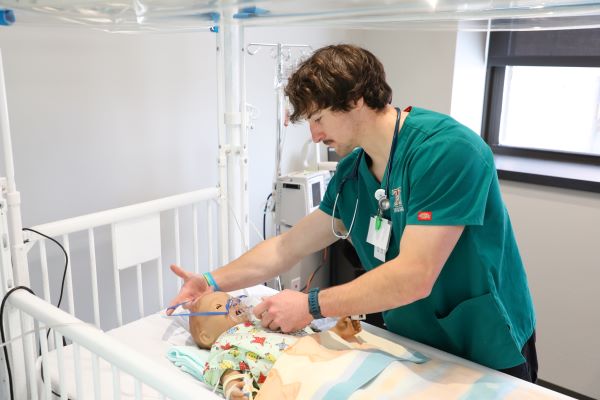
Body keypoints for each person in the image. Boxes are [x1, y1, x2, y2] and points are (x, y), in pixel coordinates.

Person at [168, 44, 537, 382]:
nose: (314, 135)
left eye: (319, 118)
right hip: (411, 336)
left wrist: (311, 305)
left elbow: (415, 275)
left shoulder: (447, 152)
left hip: (482, 338)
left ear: (356, 99)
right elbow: (287, 247)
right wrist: (211, 281)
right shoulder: (351, 174)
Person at [179, 291, 362, 399]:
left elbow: (301, 333)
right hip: (292, 373)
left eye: (231, 299)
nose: (232, 304)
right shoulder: (224, 344)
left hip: (317, 354)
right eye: (219, 307)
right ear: (206, 336)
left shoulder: (261, 322)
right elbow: (225, 369)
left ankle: (337, 335)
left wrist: (333, 334)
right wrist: (233, 388)